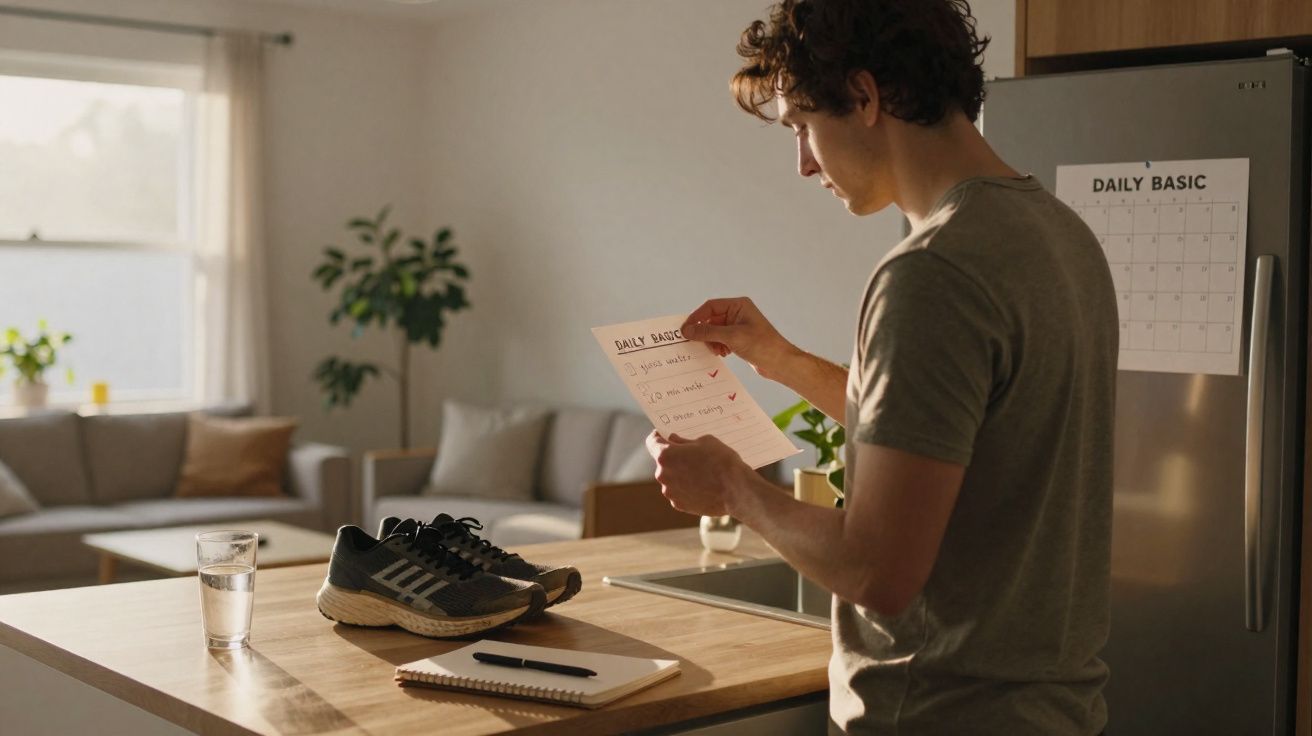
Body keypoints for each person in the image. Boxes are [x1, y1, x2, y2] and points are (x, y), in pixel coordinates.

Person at [644, 1, 1119, 733]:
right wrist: (781, 359)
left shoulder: (931, 274)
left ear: (864, 98)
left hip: (937, 714)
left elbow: (877, 572)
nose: (802, 163)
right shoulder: (1061, 236)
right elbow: (948, 437)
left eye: (801, 126)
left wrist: (735, 490)